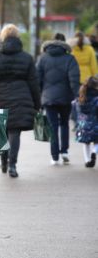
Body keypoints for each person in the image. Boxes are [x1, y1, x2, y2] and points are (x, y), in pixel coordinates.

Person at [0, 24, 41, 177]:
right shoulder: (27, 58)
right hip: (22, 99)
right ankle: (12, 165)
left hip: (0, 99)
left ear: (2, 37)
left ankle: (3, 162)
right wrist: (37, 104)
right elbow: (34, 83)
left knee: (3, 132)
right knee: (15, 133)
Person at [37, 33, 80, 165]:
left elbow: (37, 79)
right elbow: (74, 79)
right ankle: (64, 151)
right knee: (64, 124)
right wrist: (77, 95)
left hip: (48, 98)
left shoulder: (43, 58)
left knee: (53, 126)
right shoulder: (70, 58)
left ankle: (54, 157)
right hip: (66, 97)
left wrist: (39, 97)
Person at [75, 76, 98, 168]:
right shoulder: (96, 98)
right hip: (95, 124)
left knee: (86, 143)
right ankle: (94, 152)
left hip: (83, 125)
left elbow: (77, 111)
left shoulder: (81, 97)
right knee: (97, 142)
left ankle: (87, 160)